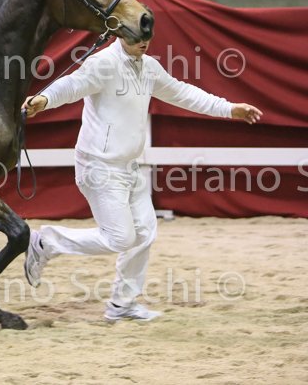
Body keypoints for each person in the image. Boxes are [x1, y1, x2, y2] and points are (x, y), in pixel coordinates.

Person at [22, 35, 262, 321]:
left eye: (147, 37)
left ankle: (122, 305)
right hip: (99, 166)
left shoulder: (149, 67)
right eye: (137, 37)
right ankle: (46, 242)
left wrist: (229, 108)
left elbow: (183, 92)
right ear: (121, 34)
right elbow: (73, 85)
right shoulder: (103, 63)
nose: (144, 42)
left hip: (129, 166)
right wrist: (45, 99)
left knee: (145, 232)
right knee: (120, 238)